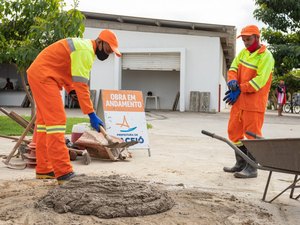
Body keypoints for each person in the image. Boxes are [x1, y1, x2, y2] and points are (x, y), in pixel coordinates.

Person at [27, 29, 121, 184]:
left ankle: (45, 169)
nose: (109, 53)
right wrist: (91, 114)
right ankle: (64, 172)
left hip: (42, 74)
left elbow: (67, 71)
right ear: (100, 41)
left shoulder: (84, 48)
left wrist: (71, 91)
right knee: (56, 122)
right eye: (109, 49)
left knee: (45, 124)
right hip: (45, 76)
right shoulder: (85, 51)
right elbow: (82, 85)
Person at [223, 25, 275, 178]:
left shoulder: (266, 57)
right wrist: (232, 82)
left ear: (257, 38)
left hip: (254, 104)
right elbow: (232, 69)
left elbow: (260, 81)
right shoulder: (243, 53)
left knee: (252, 136)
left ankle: (252, 168)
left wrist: (240, 88)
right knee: (234, 133)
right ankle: (240, 163)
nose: (246, 42)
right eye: (244, 40)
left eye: (249, 39)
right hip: (239, 102)